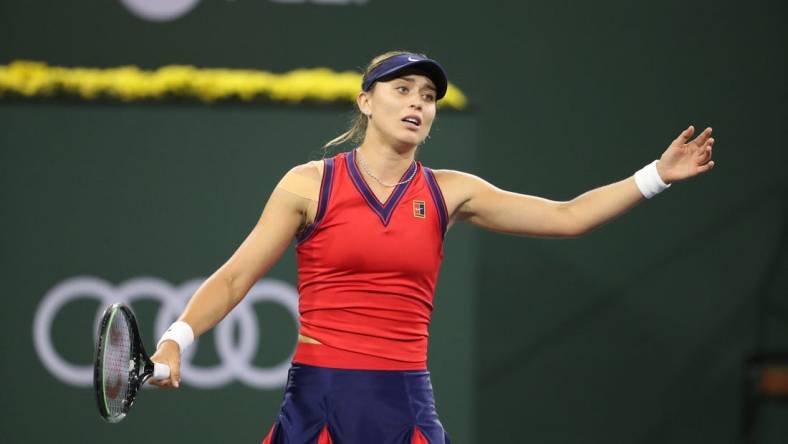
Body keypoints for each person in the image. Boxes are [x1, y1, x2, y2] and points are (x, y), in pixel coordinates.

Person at [148, 50, 715, 444]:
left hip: (405, 402)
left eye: (428, 96)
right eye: (401, 90)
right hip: (319, 398)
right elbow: (233, 278)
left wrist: (656, 176)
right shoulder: (308, 183)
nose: (417, 103)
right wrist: (176, 340)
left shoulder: (451, 192)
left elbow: (567, 217)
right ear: (366, 102)